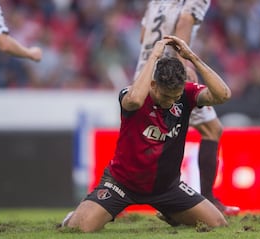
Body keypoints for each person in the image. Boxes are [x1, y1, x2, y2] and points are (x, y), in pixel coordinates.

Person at [61, 35, 230, 232]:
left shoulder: (185, 94)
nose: (170, 102)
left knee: (217, 222)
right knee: (78, 228)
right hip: (121, 184)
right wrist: (154, 56)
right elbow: (133, 101)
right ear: (153, 84)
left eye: (175, 97)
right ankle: (76, 215)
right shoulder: (133, 95)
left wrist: (192, 57)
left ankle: (171, 212)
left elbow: (223, 94)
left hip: (167, 188)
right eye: (165, 96)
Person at [135, 0, 239, 215]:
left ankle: (115, 196)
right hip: (172, 73)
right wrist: (185, 65)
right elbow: (184, 21)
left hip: (145, 74)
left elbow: (143, 35)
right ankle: (206, 200)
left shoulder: (156, 1)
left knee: (141, 136)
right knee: (212, 129)